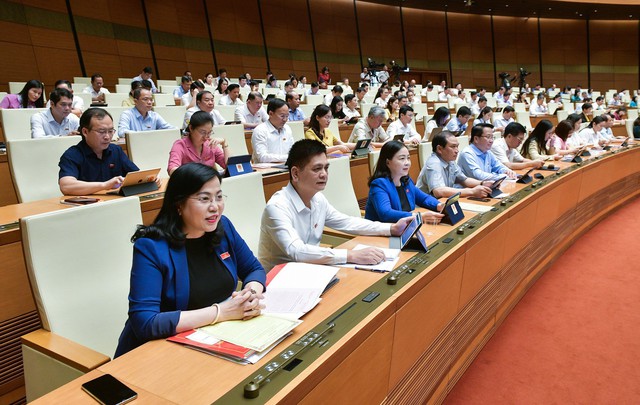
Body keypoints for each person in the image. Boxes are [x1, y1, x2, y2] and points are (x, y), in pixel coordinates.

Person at [114, 163, 266, 357]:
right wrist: (220, 312)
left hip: (209, 341)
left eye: (219, 197)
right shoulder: (151, 247)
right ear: (179, 204)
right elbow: (145, 322)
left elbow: (254, 269)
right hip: (156, 352)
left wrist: (250, 296)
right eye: (204, 199)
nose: (215, 207)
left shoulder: (223, 227)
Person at [258, 139, 413, 270]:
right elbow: (296, 251)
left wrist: (390, 228)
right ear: (295, 173)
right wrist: (350, 255)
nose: (324, 174)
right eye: (317, 169)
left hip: (311, 270)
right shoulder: (277, 207)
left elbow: (346, 222)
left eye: (326, 168)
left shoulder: (318, 199)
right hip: (280, 280)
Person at [59, 108, 139, 195]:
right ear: (85, 132)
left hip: (114, 202)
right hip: (87, 205)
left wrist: (152, 178)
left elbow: (136, 175)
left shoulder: (116, 150)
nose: (107, 137)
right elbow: (66, 186)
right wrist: (105, 185)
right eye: (102, 132)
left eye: (111, 131)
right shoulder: (72, 155)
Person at [365, 140, 444, 223]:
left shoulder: (406, 181)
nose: (407, 163)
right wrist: (418, 216)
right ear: (388, 162)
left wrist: (439, 205)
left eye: (408, 158)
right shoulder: (379, 184)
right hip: (382, 232)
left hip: (405, 229)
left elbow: (424, 199)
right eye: (402, 158)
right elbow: (385, 214)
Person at [416, 132, 492, 198]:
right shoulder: (434, 163)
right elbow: (438, 191)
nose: (457, 150)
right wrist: (472, 191)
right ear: (439, 149)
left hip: (442, 202)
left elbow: (464, 180)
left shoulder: (450, 161)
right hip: (425, 207)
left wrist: (483, 183)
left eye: (457, 146)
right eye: (453, 147)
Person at [251, 98, 294, 163]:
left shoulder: (287, 129)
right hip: (266, 170)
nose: (285, 119)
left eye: (287, 116)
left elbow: (293, 151)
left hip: (286, 167)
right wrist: (288, 157)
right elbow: (262, 157)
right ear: (271, 113)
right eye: (282, 116)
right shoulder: (260, 130)